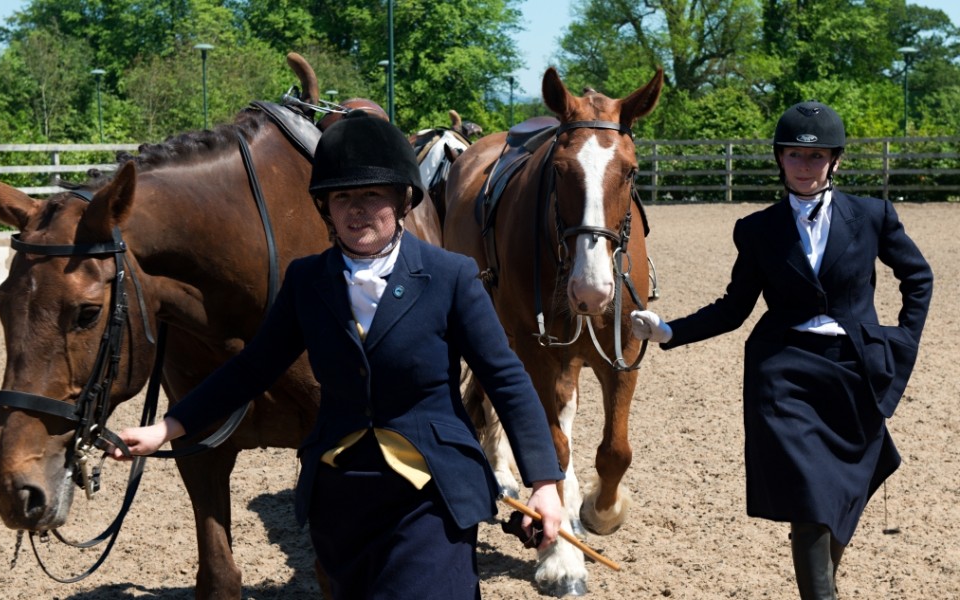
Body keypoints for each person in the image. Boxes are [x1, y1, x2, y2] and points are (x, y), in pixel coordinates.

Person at [111, 110, 564, 599]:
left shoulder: (450, 276)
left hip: (431, 492)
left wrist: (543, 481)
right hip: (341, 492)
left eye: (372, 194)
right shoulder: (307, 280)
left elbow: (506, 379)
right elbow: (252, 367)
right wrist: (167, 427)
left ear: (401, 198)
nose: (357, 209)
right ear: (325, 207)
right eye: (343, 197)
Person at [630, 101, 933, 600]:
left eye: (816, 158)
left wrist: (901, 338)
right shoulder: (756, 228)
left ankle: (822, 581)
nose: (805, 167)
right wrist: (668, 330)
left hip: (853, 369)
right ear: (779, 159)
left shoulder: (874, 215)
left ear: (835, 160)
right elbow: (735, 307)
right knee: (810, 494)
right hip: (783, 370)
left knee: (840, 491)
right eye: (794, 156)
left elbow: (917, 277)